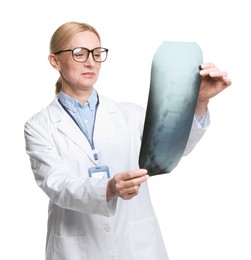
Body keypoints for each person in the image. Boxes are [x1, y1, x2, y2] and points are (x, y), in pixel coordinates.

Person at [24, 21, 231, 260]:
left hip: (137, 245)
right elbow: (56, 185)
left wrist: (200, 102)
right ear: (55, 61)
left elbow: (174, 148)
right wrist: (108, 189)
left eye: (97, 53)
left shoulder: (130, 115)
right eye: (78, 53)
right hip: (78, 248)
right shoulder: (39, 126)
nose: (90, 61)